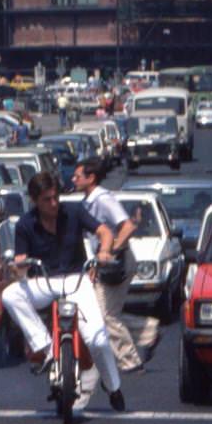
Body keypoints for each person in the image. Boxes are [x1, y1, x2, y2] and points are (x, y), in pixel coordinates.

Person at [1, 172, 126, 413]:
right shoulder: (26, 224)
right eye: (47, 199)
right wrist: (18, 266)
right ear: (35, 200)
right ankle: (47, 348)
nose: (54, 203)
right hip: (44, 281)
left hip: (76, 278)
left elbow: (105, 232)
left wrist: (103, 252)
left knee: (97, 339)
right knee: (10, 295)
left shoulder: (74, 212)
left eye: (56, 197)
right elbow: (20, 262)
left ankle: (113, 387)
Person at [73, 157, 144, 373]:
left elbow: (128, 226)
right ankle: (147, 331)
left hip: (119, 263)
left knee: (107, 315)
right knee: (95, 309)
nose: (73, 179)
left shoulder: (103, 199)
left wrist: (110, 251)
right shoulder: (87, 202)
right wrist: (96, 262)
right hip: (104, 264)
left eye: (77, 176)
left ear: (91, 178)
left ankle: (130, 361)